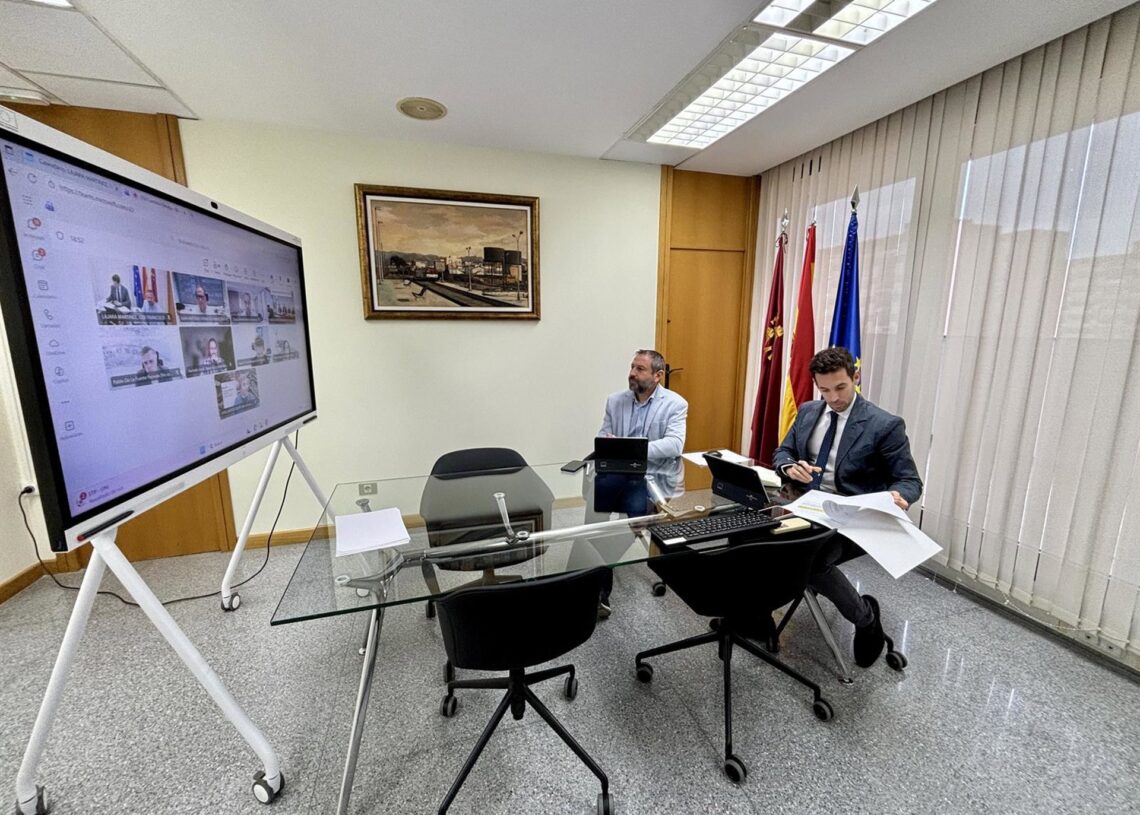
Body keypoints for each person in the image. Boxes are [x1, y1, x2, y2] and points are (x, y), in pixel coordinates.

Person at [772, 346, 922, 668]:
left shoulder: (884, 424)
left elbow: (910, 481)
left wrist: (899, 496)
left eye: (840, 387)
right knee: (756, 539)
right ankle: (754, 615)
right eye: (824, 389)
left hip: (853, 517)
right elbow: (782, 452)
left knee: (814, 561)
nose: (833, 397)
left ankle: (866, 619)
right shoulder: (810, 411)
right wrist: (788, 468)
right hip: (805, 504)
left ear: (855, 377)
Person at [599, 349, 687, 460]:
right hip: (620, 468)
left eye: (640, 369)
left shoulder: (675, 404)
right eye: (632, 367)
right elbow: (602, 439)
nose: (632, 373)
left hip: (657, 470)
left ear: (658, 376)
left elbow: (674, 445)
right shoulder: (615, 401)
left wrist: (629, 449)